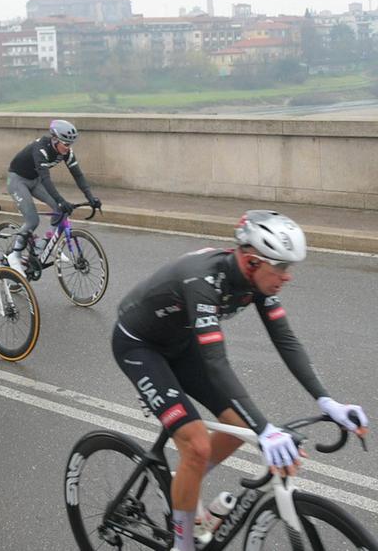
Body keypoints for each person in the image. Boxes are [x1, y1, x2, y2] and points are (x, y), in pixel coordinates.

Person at [113, 210, 369, 551]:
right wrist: (266, 429)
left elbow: (286, 341)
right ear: (251, 261)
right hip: (139, 345)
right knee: (198, 444)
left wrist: (327, 400)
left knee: (239, 429)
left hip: (180, 341)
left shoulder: (256, 280)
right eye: (280, 267)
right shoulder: (202, 280)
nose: (287, 276)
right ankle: (182, 543)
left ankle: (182, 484)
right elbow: (216, 363)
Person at [5, 119, 101, 273]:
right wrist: (61, 200)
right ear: (55, 140)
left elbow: (78, 175)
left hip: (34, 180)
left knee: (59, 209)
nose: (68, 148)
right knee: (32, 220)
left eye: (71, 144)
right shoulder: (41, 149)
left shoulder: (66, 152)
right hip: (17, 180)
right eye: (66, 144)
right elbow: (46, 179)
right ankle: (14, 255)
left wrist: (91, 197)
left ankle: (43, 244)